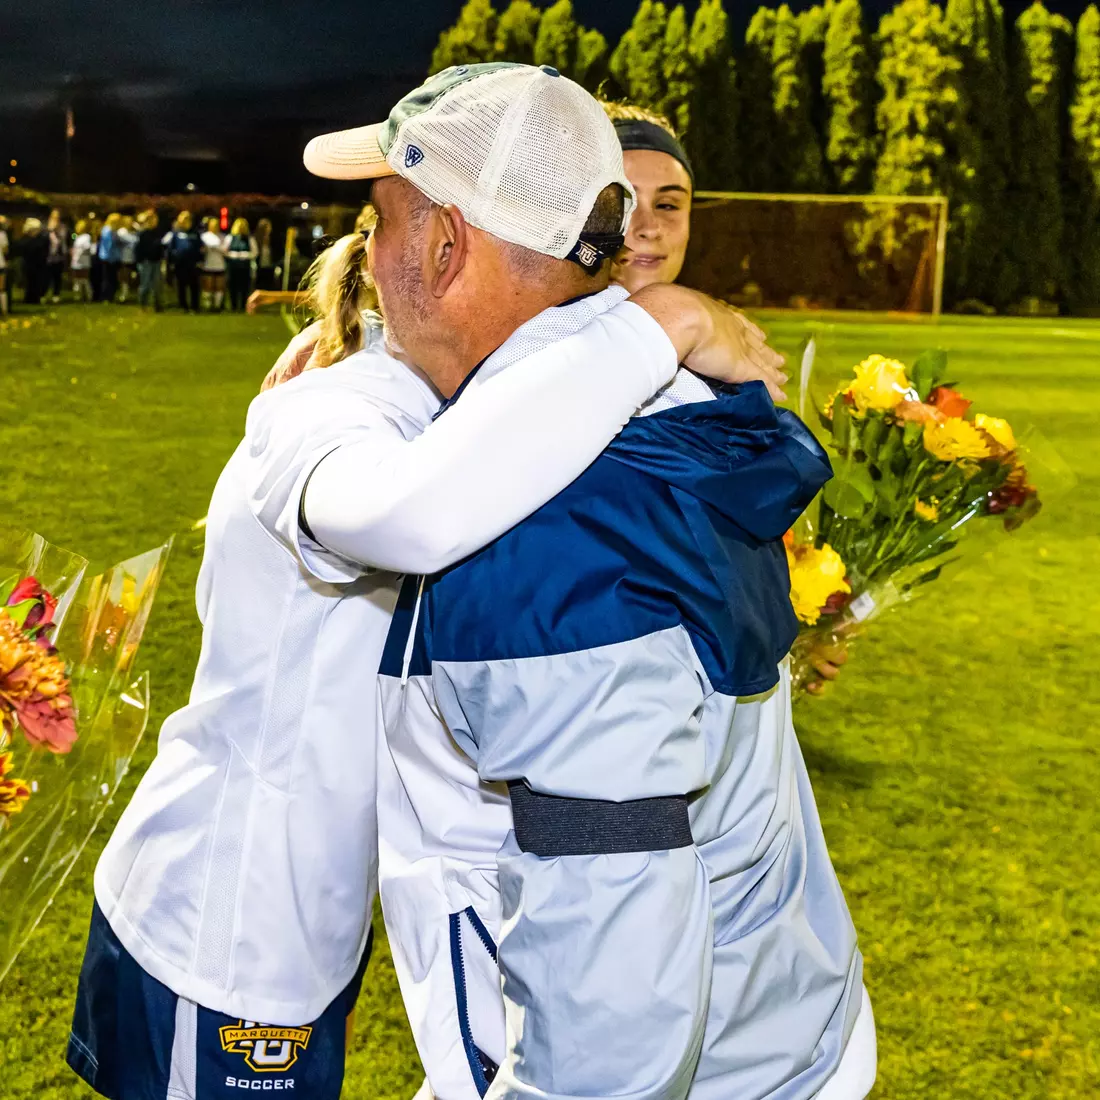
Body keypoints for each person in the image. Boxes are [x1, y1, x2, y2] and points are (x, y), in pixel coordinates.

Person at [66, 120, 784, 1100]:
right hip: (226, 920)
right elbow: (411, 511)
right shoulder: (339, 405)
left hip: (324, 907)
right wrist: (658, 323)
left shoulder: (502, 407)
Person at [296, 63, 873, 1100]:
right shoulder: (635, 408)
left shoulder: (549, 521)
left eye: (380, 224)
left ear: (445, 244)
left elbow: (612, 1011)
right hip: (772, 1026)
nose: (366, 259)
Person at [164, 211, 201, 312]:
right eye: (184, 220)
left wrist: (200, 259)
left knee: (194, 286)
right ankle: (183, 306)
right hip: (180, 263)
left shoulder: (195, 233)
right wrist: (172, 261)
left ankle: (195, 306)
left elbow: (200, 248)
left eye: (188, 220)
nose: (186, 222)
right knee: (181, 286)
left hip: (193, 263)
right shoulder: (176, 233)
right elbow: (170, 248)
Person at [224, 216, 258, 311]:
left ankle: (243, 305)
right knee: (233, 286)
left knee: (244, 287)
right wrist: (233, 255)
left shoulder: (250, 238)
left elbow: (255, 252)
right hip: (233, 266)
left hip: (245, 266)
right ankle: (233, 306)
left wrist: (246, 255)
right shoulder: (230, 237)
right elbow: (224, 251)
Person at [134, 210, 163, 311]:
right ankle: (143, 304)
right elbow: (138, 249)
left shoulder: (158, 232)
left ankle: (157, 304)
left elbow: (160, 247)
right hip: (145, 261)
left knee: (157, 284)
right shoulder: (142, 233)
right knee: (145, 284)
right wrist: (140, 261)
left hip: (156, 261)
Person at [18, 217, 49, 305]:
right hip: (29, 264)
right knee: (29, 282)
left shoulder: (41, 239)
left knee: (37, 282)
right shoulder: (26, 239)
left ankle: (36, 297)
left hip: (39, 264)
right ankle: (29, 298)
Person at [200, 216, 227, 310]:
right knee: (208, 285)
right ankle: (207, 306)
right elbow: (202, 249)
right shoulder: (204, 236)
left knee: (219, 286)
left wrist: (216, 248)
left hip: (220, 264)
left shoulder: (223, 236)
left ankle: (217, 306)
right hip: (208, 264)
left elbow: (225, 250)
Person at [97, 212, 123, 303]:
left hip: (112, 257)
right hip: (108, 258)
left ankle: (110, 296)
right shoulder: (107, 230)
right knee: (108, 278)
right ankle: (106, 297)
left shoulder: (111, 230)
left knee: (112, 278)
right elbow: (109, 245)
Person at [45, 209, 68, 303]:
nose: (56, 219)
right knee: (46, 276)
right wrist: (51, 230)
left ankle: (56, 294)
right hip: (48, 256)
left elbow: (63, 240)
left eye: (58, 217)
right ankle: (44, 294)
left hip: (59, 256)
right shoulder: (46, 228)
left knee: (57, 276)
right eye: (54, 217)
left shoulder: (63, 227)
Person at [70, 220, 94, 302]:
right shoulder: (77, 237)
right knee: (77, 279)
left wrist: (79, 252)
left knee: (84, 279)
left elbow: (87, 247)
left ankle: (88, 295)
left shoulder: (86, 237)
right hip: (76, 261)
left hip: (83, 260)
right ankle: (78, 295)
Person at [117, 214, 138, 303]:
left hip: (132, 258)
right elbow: (134, 240)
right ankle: (124, 295)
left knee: (131, 277)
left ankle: (130, 294)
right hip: (124, 258)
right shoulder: (122, 231)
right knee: (124, 277)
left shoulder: (132, 232)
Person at [0, 215, 9, 316]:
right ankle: (4, 310)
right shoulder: (2, 235)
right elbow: (5, 250)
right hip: (1, 263)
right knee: (2, 289)